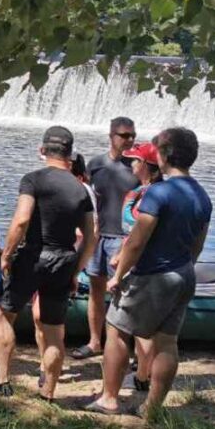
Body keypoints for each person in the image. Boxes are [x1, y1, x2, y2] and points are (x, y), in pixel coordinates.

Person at [87, 127, 211, 419]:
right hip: (183, 275)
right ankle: (152, 408)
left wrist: (118, 276)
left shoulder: (160, 192)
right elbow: (198, 245)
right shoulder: (202, 196)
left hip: (152, 275)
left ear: (165, 155)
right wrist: (184, 269)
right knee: (167, 341)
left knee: (116, 330)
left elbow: (138, 239)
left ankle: (109, 399)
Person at [0, 127, 95, 402]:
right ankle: (48, 393)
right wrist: (76, 269)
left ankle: (3, 382)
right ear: (70, 154)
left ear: (42, 151)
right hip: (63, 260)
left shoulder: (33, 180)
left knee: (5, 315)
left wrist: (6, 255)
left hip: (32, 256)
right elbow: (91, 237)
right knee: (53, 331)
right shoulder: (81, 189)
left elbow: (21, 220)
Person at [73, 117, 139, 360]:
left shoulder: (137, 167)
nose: (129, 140)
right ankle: (94, 342)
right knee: (95, 290)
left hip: (122, 240)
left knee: (123, 294)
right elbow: (86, 199)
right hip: (97, 238)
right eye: (124, 135)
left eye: (132, 135)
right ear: (111, 136)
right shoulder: (96, 164)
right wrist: (81, 230)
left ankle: (126, 350)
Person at [112, 141, 163, 393]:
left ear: (146, 165)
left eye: (134, 160)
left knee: (141, 328)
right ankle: (141, 371)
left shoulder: (152, 195)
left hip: (141, 268)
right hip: (132, 261)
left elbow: (139, 236)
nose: (131, 164)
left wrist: (121, 265)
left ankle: (142, 377)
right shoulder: (143, 192)